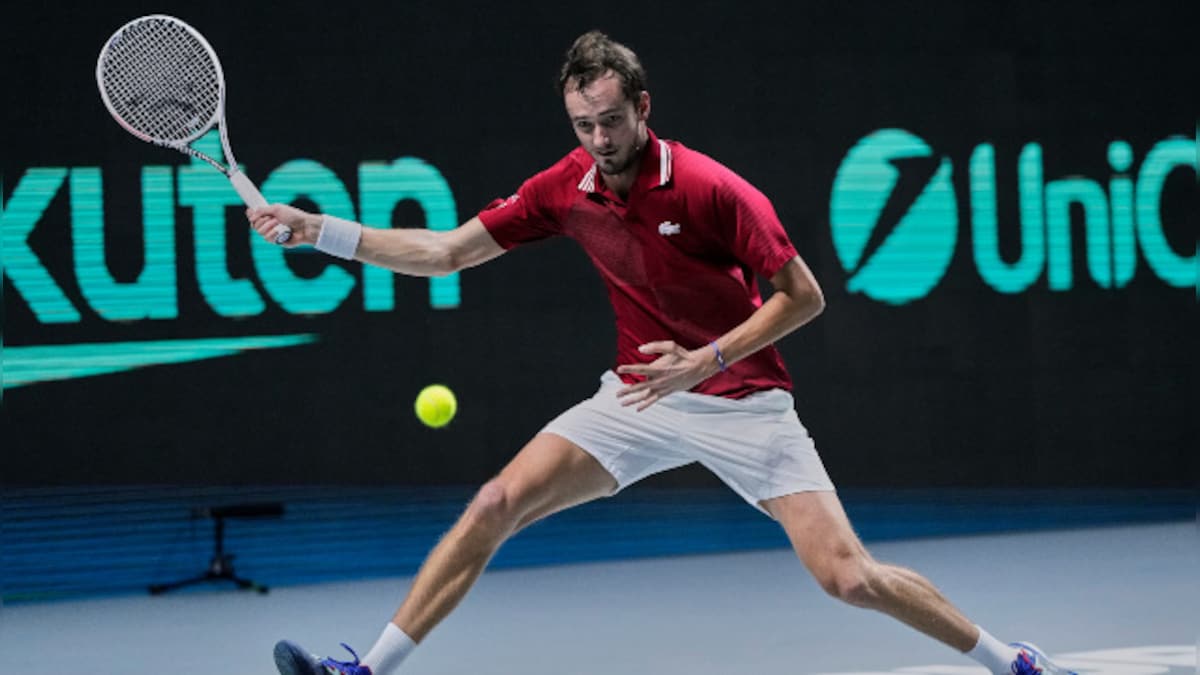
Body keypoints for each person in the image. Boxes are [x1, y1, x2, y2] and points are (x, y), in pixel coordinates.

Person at [249, 30, 1076, 675]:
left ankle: (1012, 659)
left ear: (643, 105)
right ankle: (364, 665)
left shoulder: (713, 187)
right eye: (584, 124)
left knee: (848, 577)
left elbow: (805, 295)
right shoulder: (563, 188)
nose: (601, 137)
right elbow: (445, 253)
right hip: (639, 398)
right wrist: (318, 230)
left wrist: (705, 360)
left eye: (613, 119)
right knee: (497, 500)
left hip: (745, 401)